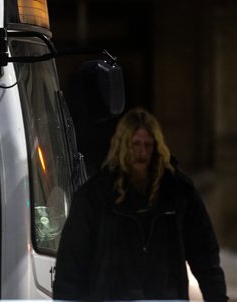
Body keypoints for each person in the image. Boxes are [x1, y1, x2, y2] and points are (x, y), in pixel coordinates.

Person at [53, 107, 228, 301]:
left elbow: (204, 254)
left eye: (147, 145)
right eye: (135, 144)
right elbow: (72, 261)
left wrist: (217, 297)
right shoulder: (95, 196)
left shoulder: (178, 193)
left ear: (156, 147)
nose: (141, 152)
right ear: (123, 145)